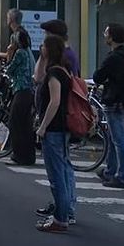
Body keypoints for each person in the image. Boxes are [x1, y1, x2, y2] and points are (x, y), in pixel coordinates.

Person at [33, 33, 77, 234]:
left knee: (56, 176)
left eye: (43, 46)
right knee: (62, 173)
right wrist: (42, 59)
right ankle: (64, 213)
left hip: (54, 130)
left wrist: (43, 127)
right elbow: (37, 77)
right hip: (62, 129)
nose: (41, 48)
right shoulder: (63, 70)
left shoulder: (55, 74)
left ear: (49, 49)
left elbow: (55, 101)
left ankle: (61, 218)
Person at [93, 23, 124, 190]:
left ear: (112, 37)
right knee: (113, 138)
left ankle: (123, 177)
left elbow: (98, 76)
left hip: (113, 100)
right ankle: (110, 171)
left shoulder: (113, 58)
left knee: (119, 140)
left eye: (106, 33)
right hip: (122, 100)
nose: (104, 35)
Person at [5, 29, 38, 166]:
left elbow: (10, 69)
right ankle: (29, 155)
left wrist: (9, 54)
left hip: (21, 90)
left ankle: (18, 154)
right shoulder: (29, 52)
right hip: (29, 91)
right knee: (26, 125)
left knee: (15, 123)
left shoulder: (19, 53)